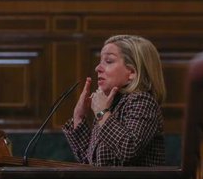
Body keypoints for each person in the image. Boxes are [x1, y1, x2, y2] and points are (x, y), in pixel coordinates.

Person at [62, 35, 166, 166]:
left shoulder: (143, 101)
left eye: (109, 61)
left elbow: (129, 149)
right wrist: (78, 116)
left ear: (132, 72)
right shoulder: (109, 107)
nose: (98, 68)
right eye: (100, 61)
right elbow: (90, 162)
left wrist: (101, 113)